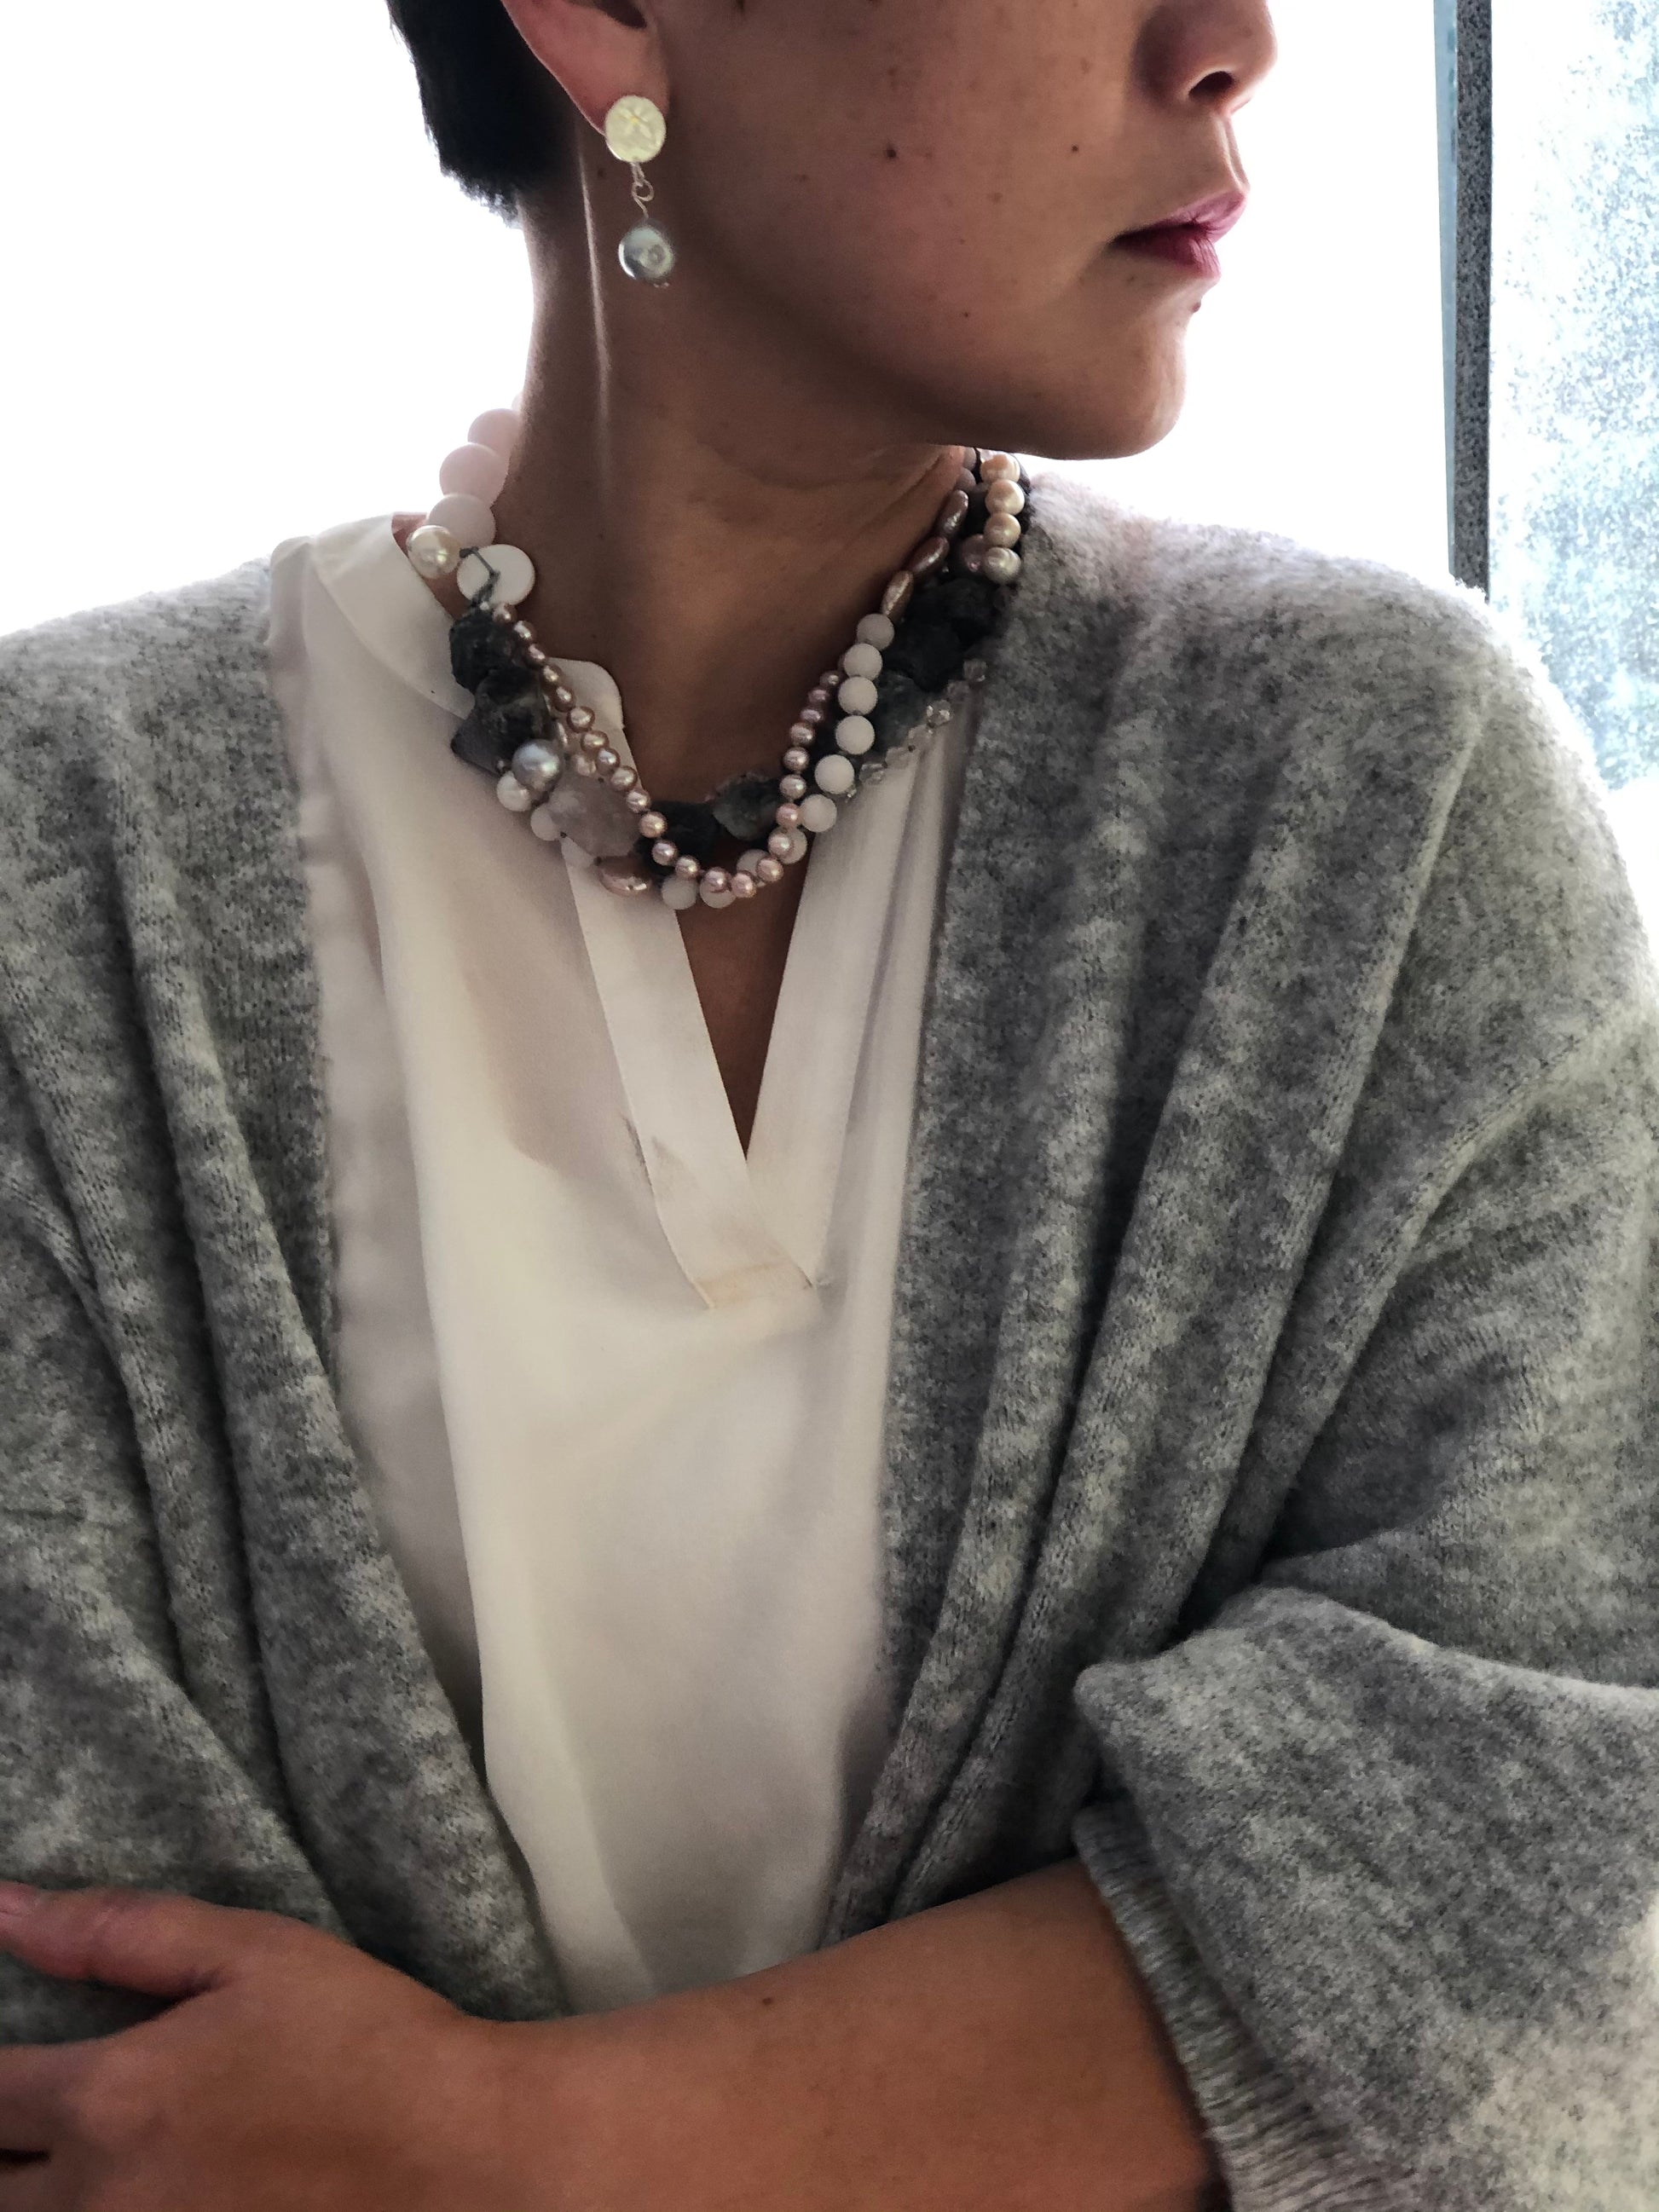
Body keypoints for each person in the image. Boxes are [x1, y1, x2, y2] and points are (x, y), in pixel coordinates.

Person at [0, 0, 1655, 2205]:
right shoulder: (55, 860)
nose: (1235, 41)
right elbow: (72, 2029)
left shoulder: (1378, 796)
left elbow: (1568, 1818)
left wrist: (520, 2145)